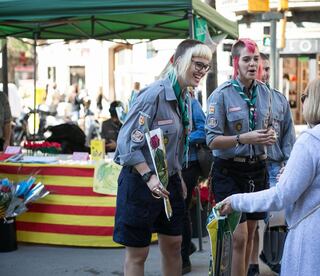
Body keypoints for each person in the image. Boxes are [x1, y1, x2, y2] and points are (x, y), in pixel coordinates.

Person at [218, 76, 320, 276]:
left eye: (304, 96)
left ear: (314, 101)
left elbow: (281, 197)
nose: (302, 101)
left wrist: (236, 201)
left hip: (314, 242)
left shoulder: (311, 141)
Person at [113, 39, 212, 276]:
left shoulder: (186, 98)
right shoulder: (154, 95)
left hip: (169, 182)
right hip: (140, 182)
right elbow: (126, 144)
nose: (201, 71)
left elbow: (175, 144)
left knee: (175, 245)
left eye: (206, 67)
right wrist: (148, 176)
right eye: (198, 64)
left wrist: (178, 177)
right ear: (179, 62)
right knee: (138, 253)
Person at [205, 38, 275, 276]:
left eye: (256, 59)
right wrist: (244, 139)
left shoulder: (266, 93)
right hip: (229, 172)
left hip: (256, 170)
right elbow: (211, 140)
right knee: (239, 237)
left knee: (251, 234)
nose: (253, 64)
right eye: (246, 59)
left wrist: (269, 136)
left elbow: (268, 126)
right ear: (235, 62)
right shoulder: (221, 95)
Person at [247, 53, 296, 276]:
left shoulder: (279, 99)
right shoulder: (240, 97)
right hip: (248, 167)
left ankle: (275, 257)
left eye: (267, 68)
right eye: (260, 68)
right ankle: (252, 265)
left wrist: (288, 163)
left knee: (277, 219)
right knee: (251, 222)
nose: (264, 73)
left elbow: (288, 137)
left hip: (275, 166)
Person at [181, 89, 207, 274]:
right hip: (171, 165)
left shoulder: (192, 103)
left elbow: (204, 131)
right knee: (177, 210)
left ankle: (184, 257)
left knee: (180, 210)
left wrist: (183, 139)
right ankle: (185, 247)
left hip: (188, 165)